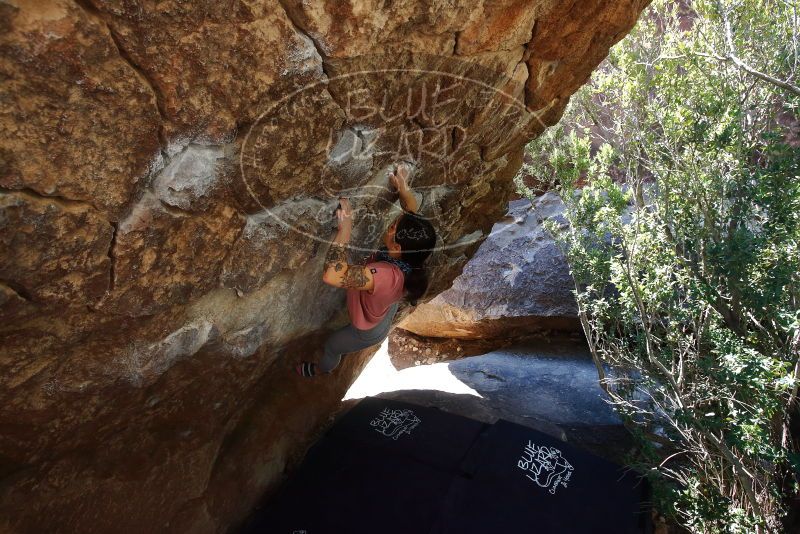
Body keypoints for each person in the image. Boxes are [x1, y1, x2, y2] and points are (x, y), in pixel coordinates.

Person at [295, 163, 437, 377]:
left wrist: (346, 229)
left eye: (392, 227)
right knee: (381, 305)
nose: (391, 224)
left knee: (332, 346)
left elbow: (333, 275)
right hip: (383, 308)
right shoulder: (412, 253)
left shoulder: (385, 276)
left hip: (367, 331)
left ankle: (319, 369)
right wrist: (403, 188)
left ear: (397, 248)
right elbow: (411, 209)